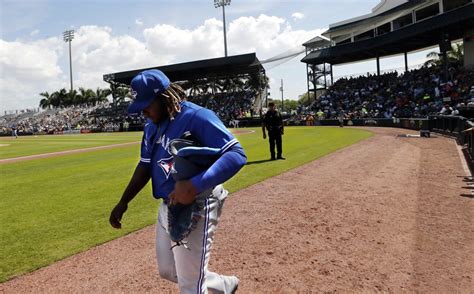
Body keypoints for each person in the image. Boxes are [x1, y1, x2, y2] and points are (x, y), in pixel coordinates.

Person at [109, 69, 245, 294]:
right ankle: (224, 285)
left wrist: (195, 184)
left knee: (190, 285)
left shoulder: (197, 116)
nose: (143, 111)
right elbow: (144, 165)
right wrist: (124, 201)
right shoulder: (152, 126)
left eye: (147, 104)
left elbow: (236, 154)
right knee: (168, 270)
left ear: (163, 97)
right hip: (168, 204)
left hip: (199, 203)